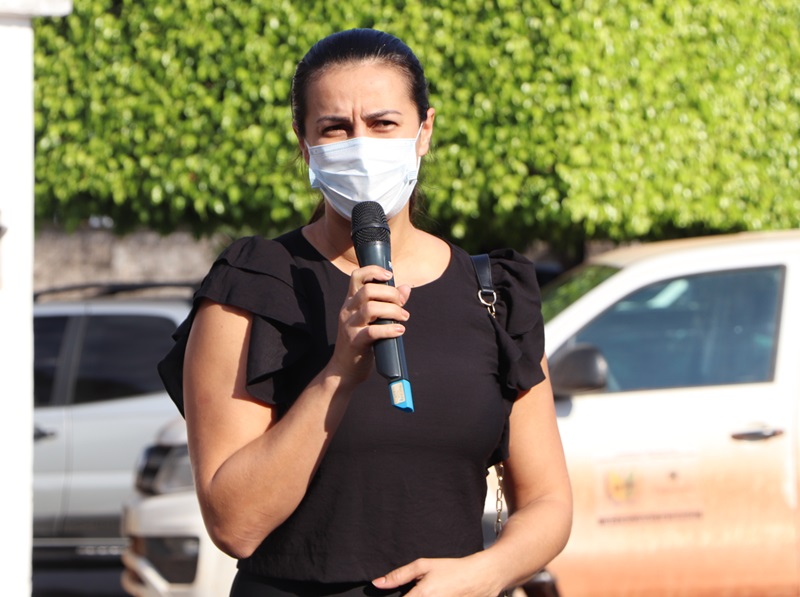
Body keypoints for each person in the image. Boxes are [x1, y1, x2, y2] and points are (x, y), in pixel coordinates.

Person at [158, 28, 572, 597]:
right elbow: (234, 524)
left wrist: (485, 572)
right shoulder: (252, 288)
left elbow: (548, 502)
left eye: (383, 124)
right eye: (335, 128)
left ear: (424, 130)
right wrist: (337, 377)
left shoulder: (495, 293)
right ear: (305, 145)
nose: (361, 144)